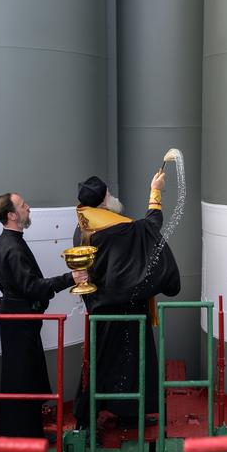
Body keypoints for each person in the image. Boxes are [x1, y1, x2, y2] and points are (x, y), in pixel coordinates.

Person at [73, 170, 180, 428]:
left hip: (101, 306)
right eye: (108, 194)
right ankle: (92, 417)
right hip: (123, 307)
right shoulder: (117, 229)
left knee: (110, 361)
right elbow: (151, 226)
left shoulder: (82, 226)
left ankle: (122, 412)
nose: (112, 197)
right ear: (101, 201)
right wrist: (155, 192)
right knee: (121, 361)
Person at [0, 192, 88, 438]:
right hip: (20, 322)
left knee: (21, 375)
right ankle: (22, 436)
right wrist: (71, 278)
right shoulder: (12, 246)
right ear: (12, 215)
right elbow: (31, 286)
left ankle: (24, 432)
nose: (28, 207)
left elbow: (0, 279)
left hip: (19, 320)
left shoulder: (8, 241)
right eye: (23, 206)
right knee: (21, 377)